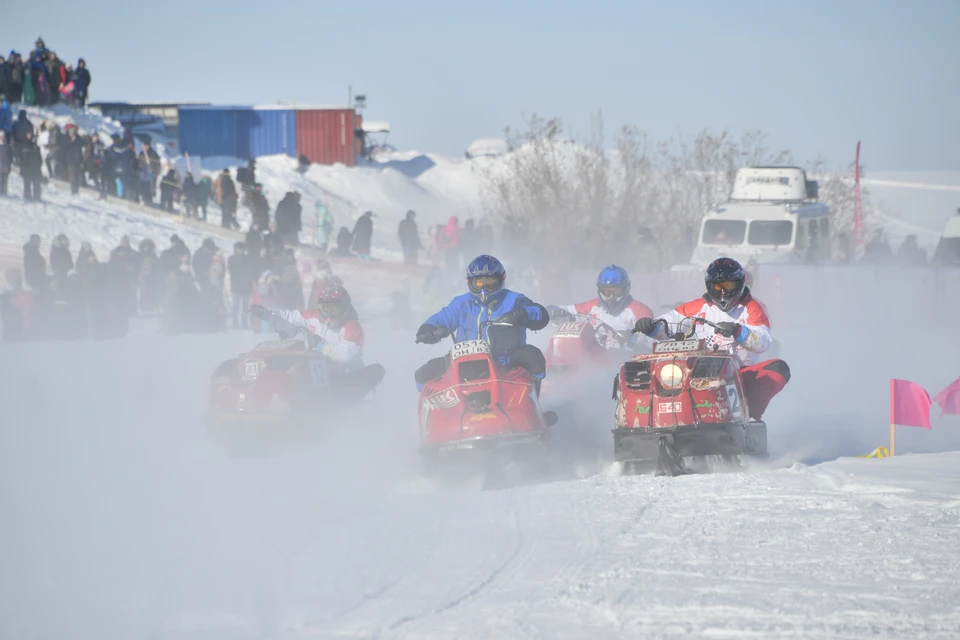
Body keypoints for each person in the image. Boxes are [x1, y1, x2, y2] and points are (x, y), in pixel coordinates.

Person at [633, 257, 790, 420]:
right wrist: (651, 327)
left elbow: (763, 342)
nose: (723, 292)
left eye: (728, 286)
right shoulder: (697, 307)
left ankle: (749, 415)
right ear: (709, 286)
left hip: (739, 375)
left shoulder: (752, 308)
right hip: (697, 374)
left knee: (778, 369)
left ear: (739, 284)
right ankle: (657, 417)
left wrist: (738, 331)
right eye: (718, 287)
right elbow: (669, 323)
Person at [414, 255, 549, 392]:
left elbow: (540, 313)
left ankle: (531, 402)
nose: (484, 289)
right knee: (423, 375)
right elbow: (442, 318)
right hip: (465, 360)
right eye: (479, 283)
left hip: (506, 360)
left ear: (500, 279)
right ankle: (438, 409)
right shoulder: (461, 303)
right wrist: (428, 329)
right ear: (470, 282)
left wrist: (520, 315)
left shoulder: (513, 300)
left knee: (533, 357)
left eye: (490, 282)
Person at [249, 285, 366, 370]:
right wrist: (265, 313)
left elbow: (345, 357)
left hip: (344, 374)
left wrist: (320, 345)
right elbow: (287, 316)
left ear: (345, 308)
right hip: (316, 365)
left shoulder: (352, 327)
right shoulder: (312, 316)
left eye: (334, 309)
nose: (329, 313)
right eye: (325, 308)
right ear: (319, 307)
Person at [547, 265, 654, 350]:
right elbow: (565, 310)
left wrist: (633, 339)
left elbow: (654, 340)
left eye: (616, 291)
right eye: (607, 291)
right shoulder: (592, 307)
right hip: (594, 361)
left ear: (626, 289)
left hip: (626, 363)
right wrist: (551, 311)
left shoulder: (640, 311)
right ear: (600, 290)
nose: (611, 296)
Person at [228, 242, 255, 329]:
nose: (240, 250)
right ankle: (235, 324)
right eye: (239, 248)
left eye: (242, 248)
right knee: (235, 306)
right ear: (235, 249)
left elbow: (250, 272)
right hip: (236, 285)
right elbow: (231, 271)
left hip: (246, 286)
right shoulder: (231, 259)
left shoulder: (248, 259)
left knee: (245, 307)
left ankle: (244, 323)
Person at [19, 130, 43, 202]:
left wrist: (39, 163)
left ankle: (37, 197)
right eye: (28, 134)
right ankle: (27, 197)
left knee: (36, 183)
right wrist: (22, 165)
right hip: (26, 167)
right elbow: (20, 156)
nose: (29, 135)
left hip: (35, 168)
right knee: (27, 183)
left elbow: (39, 156)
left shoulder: (35, 145)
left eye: (30, 134)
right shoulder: (23, 144)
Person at [0, 130, 11, 196]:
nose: (2, 138)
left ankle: (4, 192)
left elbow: (10, 156)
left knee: (5, 180)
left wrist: (9, 164)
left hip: (6, 166)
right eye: (1, 136)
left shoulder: (7, 146)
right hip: (0, 166)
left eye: (3, 137)